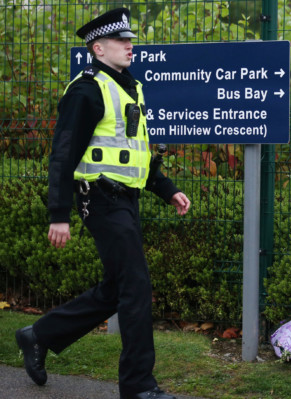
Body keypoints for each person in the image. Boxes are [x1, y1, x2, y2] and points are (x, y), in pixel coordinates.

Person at [14, 8, 190, 399]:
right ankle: (138, 386)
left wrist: (166, 188)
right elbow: (63, 154)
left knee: (116, 289)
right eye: (122, 41)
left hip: (125, 200)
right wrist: (59, 214)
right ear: (99, 47)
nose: (131, 46)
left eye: (131, 40)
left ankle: (37, 335)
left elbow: (135, 151)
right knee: (137, 287)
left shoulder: (128, 86)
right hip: (99, 200)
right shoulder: (86, 89)